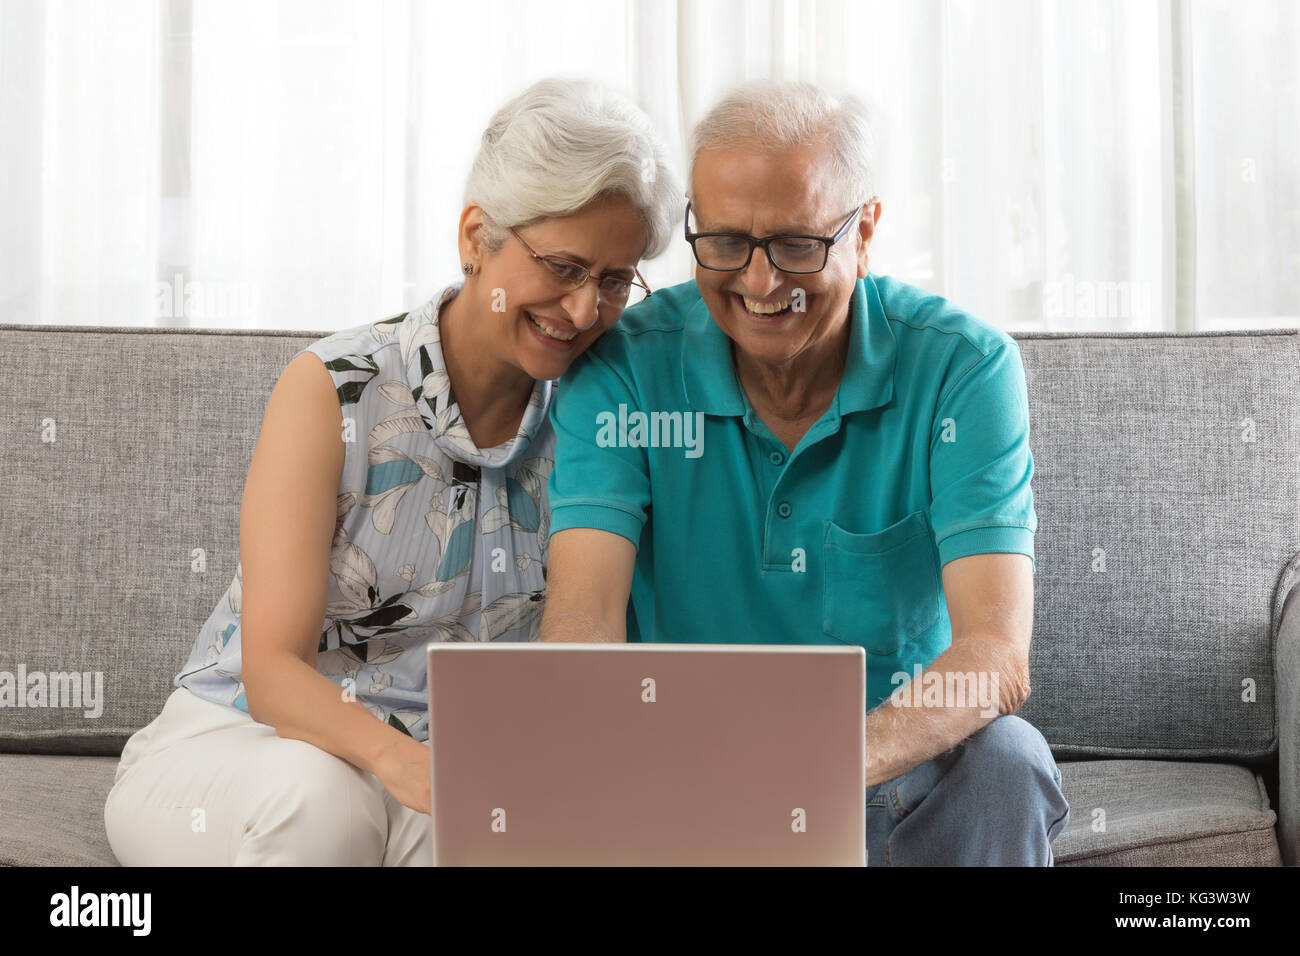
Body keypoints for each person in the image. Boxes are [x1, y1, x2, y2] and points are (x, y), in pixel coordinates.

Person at [104, 77, 681, 866]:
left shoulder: (601, 418)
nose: (585, 311)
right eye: (564, 267)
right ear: (477, 238)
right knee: (322, 803)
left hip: (438, 773)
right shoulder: (333, 387)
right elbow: (270, 670)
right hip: (246, 745)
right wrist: (401, 762)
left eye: (615, 281)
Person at [540, 80, 1071, 865]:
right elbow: (581, 629)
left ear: (865, 233)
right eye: (723, 242)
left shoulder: (965, 367)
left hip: (886, 783)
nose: (759, 283)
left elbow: (993, 659)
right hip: (691, 797)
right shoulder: (622, 372)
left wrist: (813, 772)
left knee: (1009, 759)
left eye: (797, 244)